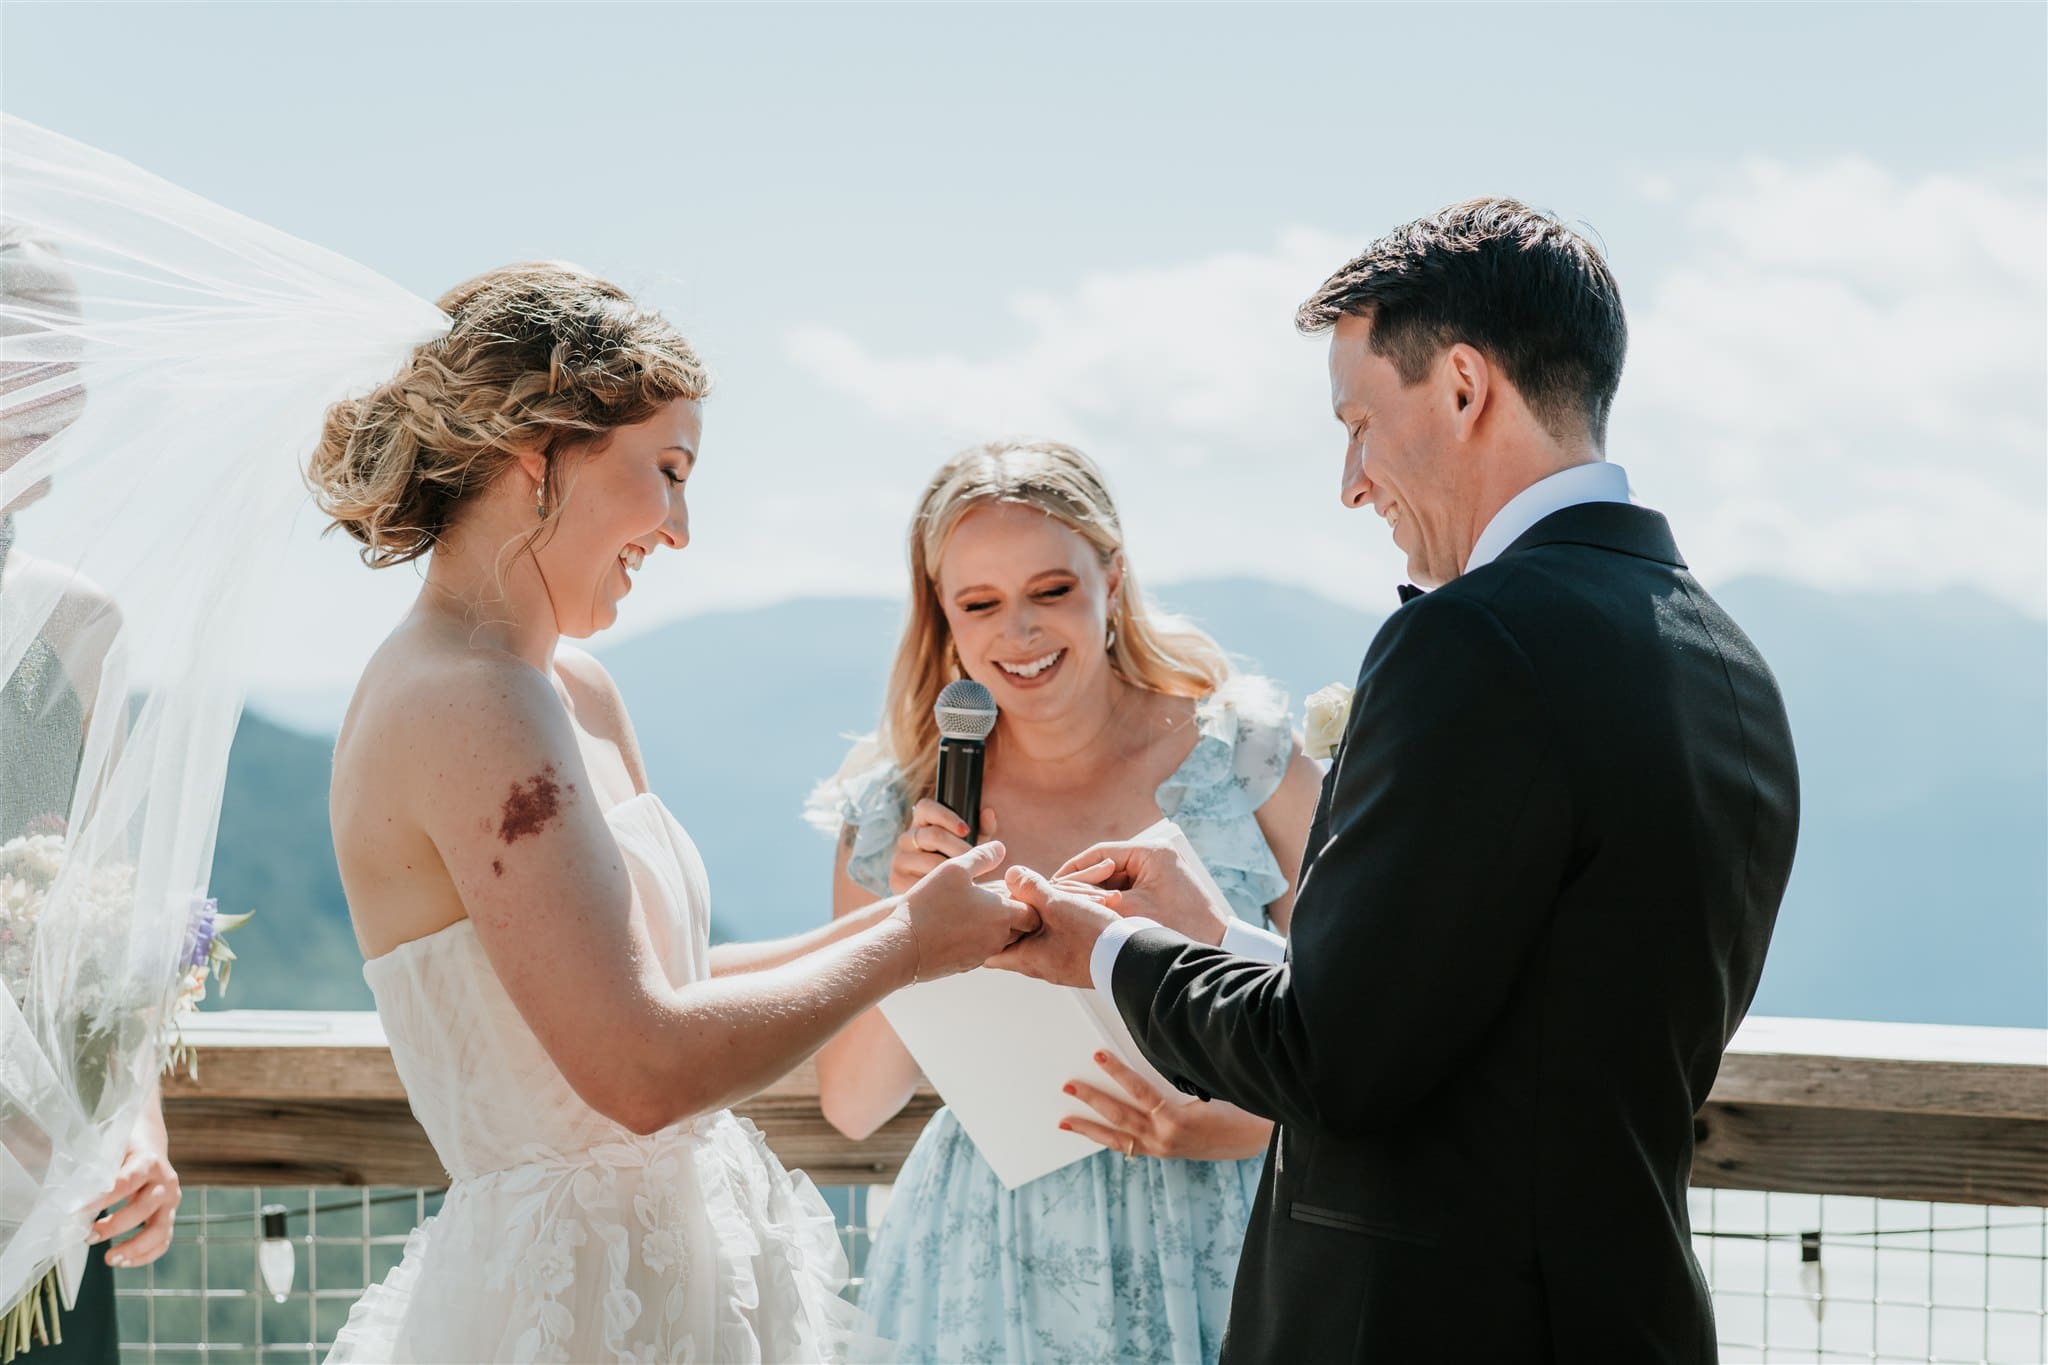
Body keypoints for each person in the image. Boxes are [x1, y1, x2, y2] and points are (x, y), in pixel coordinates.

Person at [995, 199, 1800, 1362]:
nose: (1349, 480)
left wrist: (1104, 951)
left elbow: (1335, 1064)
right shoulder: (1723, 659)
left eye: (1359, 421)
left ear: (1464, 388)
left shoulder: (1472, 641)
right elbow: (1494, 1022)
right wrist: (1222, 937)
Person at [312, 264, 1033, 1362]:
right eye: (668, 471)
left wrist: (933, 920)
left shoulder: (570, 687)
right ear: (534, 457)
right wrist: (902, 946)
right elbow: (640, 1069)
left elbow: (670, 983)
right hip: (571, 1310)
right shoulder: (465, 702)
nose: (683, 528)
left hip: (685, 1271)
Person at [810, 439, 1321, 1364]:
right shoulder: (895, 810)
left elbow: (1373, 1016)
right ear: (944, 618)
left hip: (1226, 1238)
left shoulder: (1248, 765)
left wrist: (1242, 1123)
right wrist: (905, 928)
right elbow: (852, 1103)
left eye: (1051, 590)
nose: (1020, 633)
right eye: (981, 603)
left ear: (1112, 580)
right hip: (984, 1262)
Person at [1, 226, 182, 1362]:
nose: (72, 385)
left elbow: (117, 928)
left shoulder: (81, 627)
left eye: (74, 352)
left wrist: (140, 1138)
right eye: (34, 342)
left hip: (49, 1201)